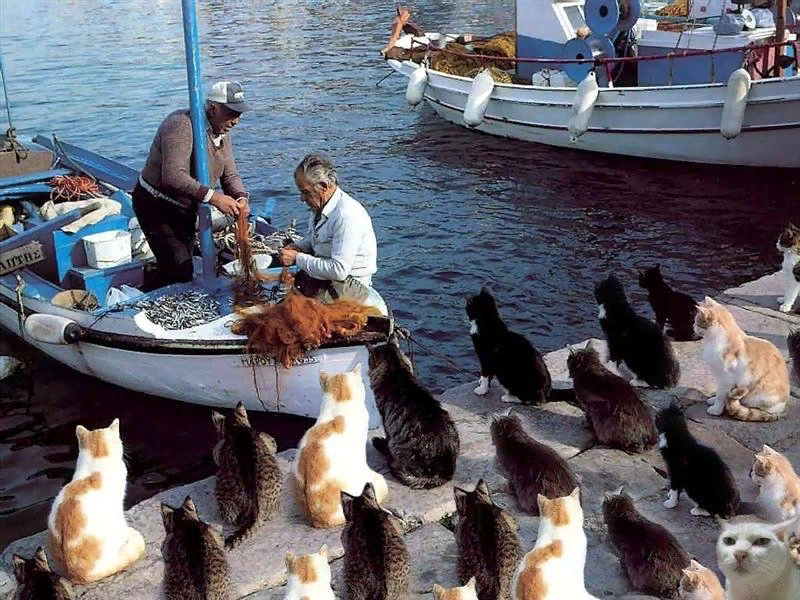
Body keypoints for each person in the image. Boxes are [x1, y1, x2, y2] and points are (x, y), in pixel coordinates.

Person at [132, 80, 251, 288]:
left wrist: (241, 197)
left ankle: (160, 275)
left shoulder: (222, 132)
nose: (236, 121)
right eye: (232, 113)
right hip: (157, 205)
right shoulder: (181, 125)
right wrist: (215, 198)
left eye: (239, 114)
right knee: (179, 271)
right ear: (213, 109)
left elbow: (230, 175)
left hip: (186, 208)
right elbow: (173, 176)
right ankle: (148, 292)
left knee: (182, 260)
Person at [277, 154, 377, 304]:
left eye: (305, 192)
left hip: (349, 283)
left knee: (300, 311)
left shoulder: (346, 216)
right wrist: (299, 247)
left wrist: (297, 258)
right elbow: (316, 240)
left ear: (323, 186)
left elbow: (339, 270)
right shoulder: (320, 207)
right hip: (328, 276)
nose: (302, 198)